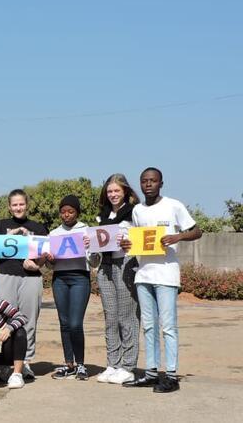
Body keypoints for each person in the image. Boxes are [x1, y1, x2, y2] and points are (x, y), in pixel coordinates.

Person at [121, 167, 202, 393]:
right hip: (144, 273)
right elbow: (136, 239)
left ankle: (172, 375)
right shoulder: (137, 210)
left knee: (168, 326)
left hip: (166, 274)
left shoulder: (173, 205)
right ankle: (151, 372)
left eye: (153, 181)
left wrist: (178, 236)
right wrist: (128, 244)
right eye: (144, 181)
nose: (148, 184)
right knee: (148, 326)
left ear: (161, 183)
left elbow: (197, 231)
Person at [0, 189, 48, 380]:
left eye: (21, 204)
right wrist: (12, 234)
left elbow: (45, 256)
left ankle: (26, 361)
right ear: (9, 206)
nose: (18, 208)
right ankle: (4, 362)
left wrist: (36, 264)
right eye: (14, 204)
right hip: (6, 276)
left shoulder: (38, 227)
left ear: (27, 205)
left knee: (29, 320)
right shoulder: (2, 225)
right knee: (4, 321)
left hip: (31, 278)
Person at [95, 174, 140, 385]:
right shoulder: (102, 215)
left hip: (126, 266)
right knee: (110, 318)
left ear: (125, 192)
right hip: (104, 267)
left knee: (127, 317)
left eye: (117, 191)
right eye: (110, 191)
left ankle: (128, 366)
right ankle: (112, 364)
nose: (113, 194)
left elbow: (141, 239)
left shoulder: (134, 213)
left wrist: (130, 243)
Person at [45, 195, 94, 381]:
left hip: (80, 277)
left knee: (75, 323)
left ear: (77, 213)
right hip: (59, 279)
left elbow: (94, 261)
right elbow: (50, 266)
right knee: (64, 323)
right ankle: (69, 364)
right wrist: (50, 260)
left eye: (71, 211)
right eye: (63, 211)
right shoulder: (54, 233)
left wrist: (91, 249)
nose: (67, 215)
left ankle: (81, 364)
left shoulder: (86, 230)